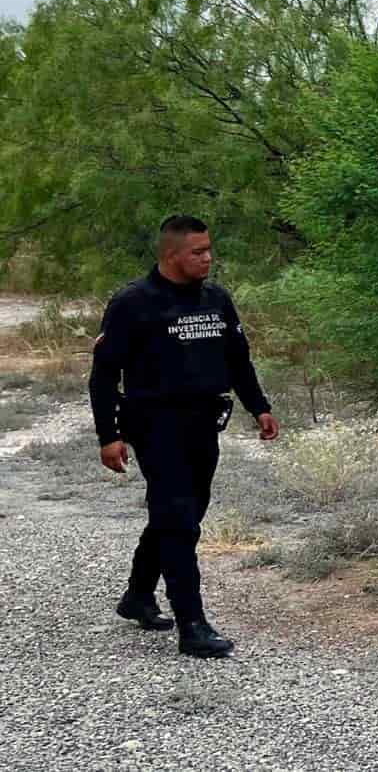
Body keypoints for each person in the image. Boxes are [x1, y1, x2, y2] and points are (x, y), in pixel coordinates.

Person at [89, 215, 280, 658]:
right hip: (154, 423)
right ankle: (192, 625)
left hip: (203, 421)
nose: (208, 258)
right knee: (178, 518)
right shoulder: (133, 303)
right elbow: (103, 376)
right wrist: (108, 435)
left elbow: (238, 361)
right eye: (198, 252)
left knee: (183, 513)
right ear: (170, 255)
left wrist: (260, 406)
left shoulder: (216, 299)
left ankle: (137, 595)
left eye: (209, 249)